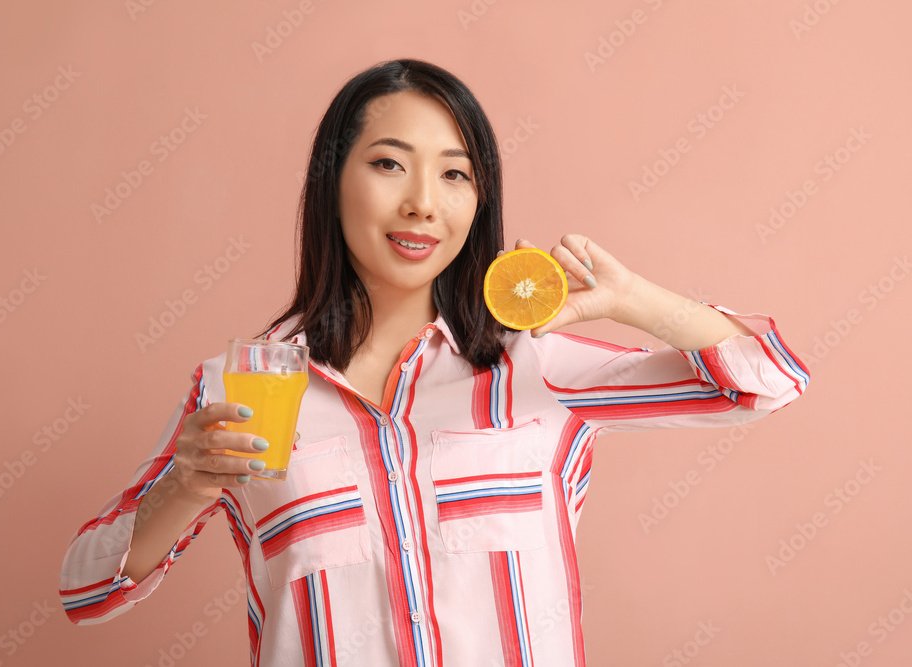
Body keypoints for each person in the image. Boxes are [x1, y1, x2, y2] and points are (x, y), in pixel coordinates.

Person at [60, 59, 809, 666]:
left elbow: (770, 379)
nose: (425, 203)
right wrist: (184, 486)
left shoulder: (538, 369)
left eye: (455, 174)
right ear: (332, 181)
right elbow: (86, 591)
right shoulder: (238, 386)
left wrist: (630, 296)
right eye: (390, 164)